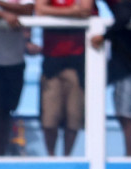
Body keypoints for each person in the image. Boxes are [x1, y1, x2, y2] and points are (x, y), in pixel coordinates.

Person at [36, 0, 94, 156]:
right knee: (49, 117)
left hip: (77, 64)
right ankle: (51, 156)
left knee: (74, 117)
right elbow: (39, 9)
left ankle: (67, 156)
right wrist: (72, 12)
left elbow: (86, 10)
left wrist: (52, 11)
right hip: (51, 64)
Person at [90, 0, 131, 157]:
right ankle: (129, 155)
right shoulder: (130, 10)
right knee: (122, 115)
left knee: (125, 115)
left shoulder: (125, 8)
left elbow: (124, 17)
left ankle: (130, 156)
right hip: (123, 71)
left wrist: (104, 36)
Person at [0, 0, 34, 156]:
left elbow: (29, 9)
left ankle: (1, 153)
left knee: (7, 111)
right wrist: (5, 14)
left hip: (16, 62)